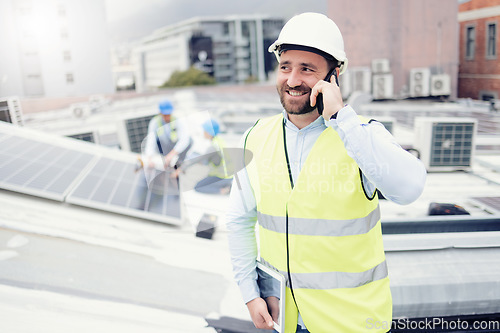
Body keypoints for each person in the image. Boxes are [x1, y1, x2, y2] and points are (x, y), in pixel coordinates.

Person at [226, 12, 427, 333]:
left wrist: (342, 118)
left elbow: (410, 189)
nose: (292, 80)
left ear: (333, 77)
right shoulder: (255, 137)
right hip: (287, 322)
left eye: (307, 69)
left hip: (353, 323)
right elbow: (238, 221)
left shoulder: (362, 134)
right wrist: (249, 293)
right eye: (285, 67)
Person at [143, 99, 193, 170]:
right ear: (160, 113)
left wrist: (171, 155)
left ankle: (178, 164)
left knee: (190, 141)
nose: (167, 116)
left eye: (168, 114)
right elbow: (151, 141)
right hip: (162, 149)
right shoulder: (154, 122)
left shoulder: (177, 121)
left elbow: (184, 139)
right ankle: (165, 163)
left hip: (172, 148)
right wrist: (149, 158)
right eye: (165, 114)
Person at [192, 119, 233, 194]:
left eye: (205, 130)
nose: (203, 132)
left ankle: (224, 190)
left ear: (209, 132)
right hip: (228, 175)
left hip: (222, 177)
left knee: (198, 187)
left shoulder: (213, 147)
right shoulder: (219, 141)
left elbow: (203, 160)